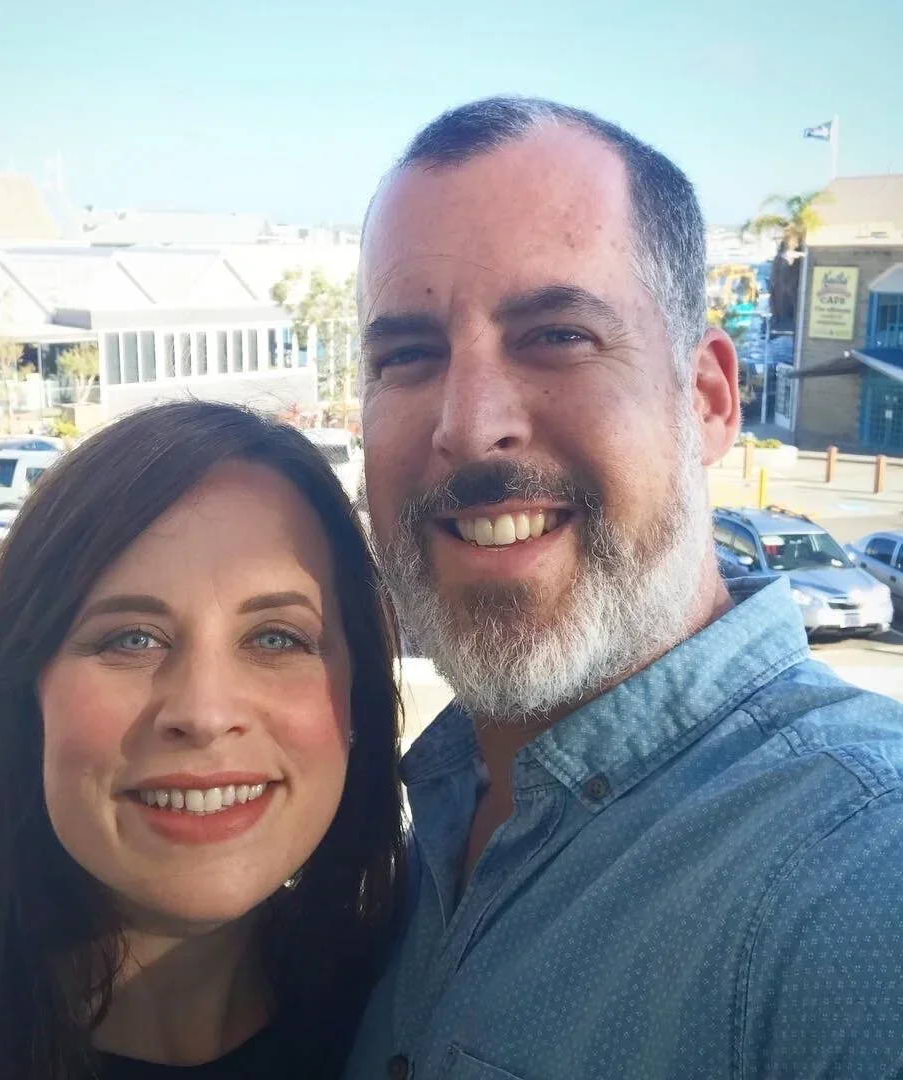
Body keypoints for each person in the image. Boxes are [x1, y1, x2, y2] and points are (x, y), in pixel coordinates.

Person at [348, 96, 903, 1079]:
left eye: (557, 334)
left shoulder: (854, 874)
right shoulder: (409, 832)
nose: (468, 424)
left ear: (710, 399)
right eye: (409, 356)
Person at [0, 400, 405, 1079]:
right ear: (27, 698)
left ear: (357, 695)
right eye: (131, 639)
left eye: (276, 638)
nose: (204, 712)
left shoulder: (416, 1010)